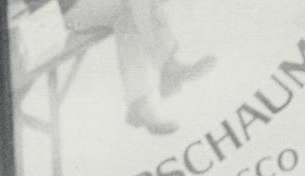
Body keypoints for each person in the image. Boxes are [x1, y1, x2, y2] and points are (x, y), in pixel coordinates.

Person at [56, 0, 216, 135]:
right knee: (133, 6)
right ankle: (168, 66)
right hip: (67, 12)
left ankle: (140, 102)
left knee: (129, 16)